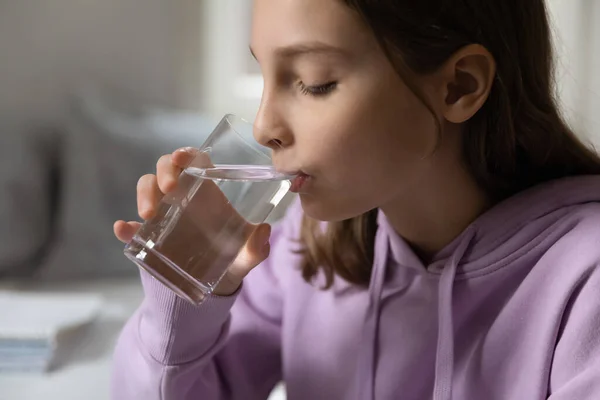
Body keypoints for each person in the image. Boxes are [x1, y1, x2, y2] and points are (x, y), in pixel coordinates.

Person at [111, 0, 600, 399]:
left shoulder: (586, 283)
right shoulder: (307, 252)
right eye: (265, 75)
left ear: (460, 85)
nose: (263, 127)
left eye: (314, 81)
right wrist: (184, 293)